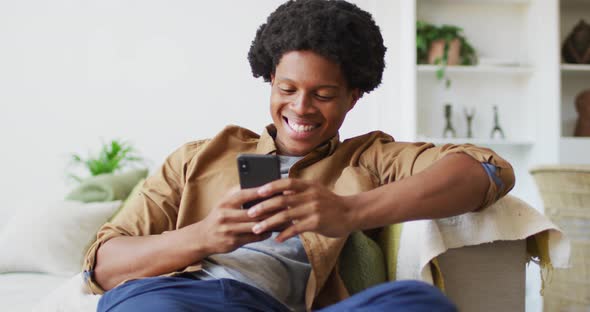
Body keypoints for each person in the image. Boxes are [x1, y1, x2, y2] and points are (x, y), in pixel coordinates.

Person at [83, 0, 515, 311]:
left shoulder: (368, 158)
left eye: (324, 95)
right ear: (269, 80)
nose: (302, 108)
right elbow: (102, 265)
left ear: (353, 96)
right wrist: (204, 237)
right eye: (287, 89)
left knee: (418, 303)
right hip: (180, 298)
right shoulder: (199, 158)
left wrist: (349, 211)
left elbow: (486, 170)